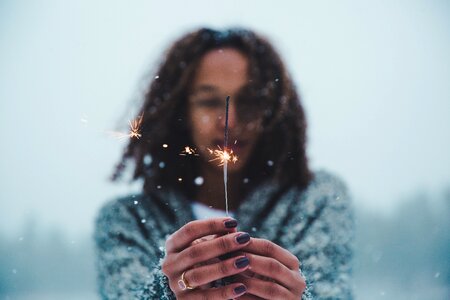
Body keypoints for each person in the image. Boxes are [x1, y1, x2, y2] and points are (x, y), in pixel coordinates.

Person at [95, 27, 354, 299]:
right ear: (181, 112)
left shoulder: (316, 200)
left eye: (249, 101)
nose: (229, 122)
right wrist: (163, 294)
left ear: (273, 109)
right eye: (209, 102)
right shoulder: (128, 221)